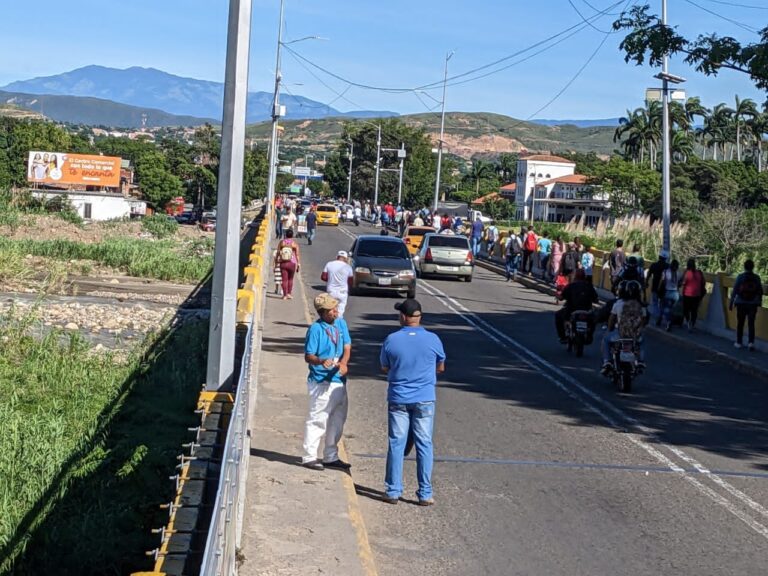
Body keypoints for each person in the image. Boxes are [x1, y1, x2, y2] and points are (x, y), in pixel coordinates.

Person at [379, 299, 446, 506]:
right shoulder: (433, 339)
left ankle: (393, 490)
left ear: (403, 317)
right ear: (419, 317)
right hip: (425, 398)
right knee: (424, 444)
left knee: (396, 443)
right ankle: (425, 493)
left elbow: (384, 367)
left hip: (399, 397)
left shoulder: (391, 340)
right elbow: (441, 367)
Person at [301, 293, 352, 470]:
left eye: (336, 308)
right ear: (323, 312)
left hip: (338, 379)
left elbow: (347, 345)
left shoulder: (340, 323)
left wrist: (344, 363)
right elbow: (309, 356)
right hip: (321, 381)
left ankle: (331, 455)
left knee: (338, 418)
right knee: (318, 418)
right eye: (332, 310)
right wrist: (321, 361)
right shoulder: (316, 329)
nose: (336, 312)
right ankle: (309, 456)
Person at [601, 280, 647, 374]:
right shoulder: (641, 306)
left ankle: (607, 361)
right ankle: (641, 361)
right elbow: (643, 321)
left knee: (605, 340)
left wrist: (609, 329)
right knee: (642, 342)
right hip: (634, 335)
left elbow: (611, 320)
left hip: (619, 333)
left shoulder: (618, 304)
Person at [555, 269, 598, 343]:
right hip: (587, 310)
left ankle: (562, 337)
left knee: (558, 315)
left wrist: (558, 295)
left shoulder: (571, 286)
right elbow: (596, 299)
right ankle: (589, 335)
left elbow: (562, 297)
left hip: (571, 310)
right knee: (593, 320)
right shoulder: (589, 286)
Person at [729, 259, 764, 351]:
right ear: (753, 267)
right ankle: (750, 343)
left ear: (744, 267)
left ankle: (739, 342)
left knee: (740, 323)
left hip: (741, 303)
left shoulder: (740, 277)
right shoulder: (757, 277)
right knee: (751, 323)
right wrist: (760, 302)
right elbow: (760, 291)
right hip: (753, 304)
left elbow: (735, 290)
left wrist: (731, 302)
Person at [322, 251, 354, 317]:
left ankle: (330, 323)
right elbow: (350, 282)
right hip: (342, 292)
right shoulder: (348, 267)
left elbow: (323, 277)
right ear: (346, 259)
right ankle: (338, 323)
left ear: (337, 257)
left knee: (330, 309)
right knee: (340, 311)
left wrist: (331, 279)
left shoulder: (329, 264)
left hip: (331, 291)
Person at [680, 258, 706, 332]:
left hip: (687, 294)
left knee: (686, 310)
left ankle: (688, 322)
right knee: (694, 311)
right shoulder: (699, 272)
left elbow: (683, 282)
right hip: (697, 295)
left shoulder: (687, 273)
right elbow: (703, 282)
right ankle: (692, 324)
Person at [274, 229, 300, 300]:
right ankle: (289, 293)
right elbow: (297, 255)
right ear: (292, 235)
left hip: (283, 263)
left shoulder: (282, 242)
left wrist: (276, 261)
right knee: (290, 279)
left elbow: (278, 253)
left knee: (284, 279)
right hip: (292, 263)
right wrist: (298, 264)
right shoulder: (294, 244)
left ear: (285, 235)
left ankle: (284, 295)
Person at [647, 250, 669, 325]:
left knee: (655, 303)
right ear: (666, 258)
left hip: (655, 288)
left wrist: (646, 282)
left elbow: (649, 274)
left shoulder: (654, 265)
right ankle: (661, 317)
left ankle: (657, 318)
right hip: (664, 289)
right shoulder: (668, 266)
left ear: (659, 256)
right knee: (663, 304)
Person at [659, 259, 681, 331]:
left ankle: (666, 322)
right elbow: (679, 284)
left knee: (664, 307)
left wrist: (660, 291)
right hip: (676, 294)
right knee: (671, 310)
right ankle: (667, 321)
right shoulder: (678, 273)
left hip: (668, 292)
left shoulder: (665, 272)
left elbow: (663, 282)